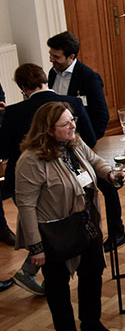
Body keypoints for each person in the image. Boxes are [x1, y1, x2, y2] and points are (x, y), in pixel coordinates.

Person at [15, 101, 122, 331]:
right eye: (66, 124)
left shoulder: (74, 143)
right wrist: (36, 248)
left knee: (92, 272)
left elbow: (94, 160)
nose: (73, 125)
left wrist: (109, 174)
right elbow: (26, 207)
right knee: (58, 283)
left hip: (85, 223)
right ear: (48, 130)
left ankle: (91, 322)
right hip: (55, 231)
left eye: (72, 120)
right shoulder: (30, 161)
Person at [0, 63, 96, 295]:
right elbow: (91, 139)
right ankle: (47, 274)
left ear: (23, 88)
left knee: (46, 227)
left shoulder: (13, 112)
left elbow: (2, 150)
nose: (71, 126)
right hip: (68, 185)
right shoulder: (72, 103)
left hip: (24, 185)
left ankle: (40, 273)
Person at [46, 31, 125, 252]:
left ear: (71, 57)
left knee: (106, 185)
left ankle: (117, 232)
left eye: (56, 56)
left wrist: (88, 143)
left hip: (84, 144)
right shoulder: (52, 74)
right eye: (51, 55)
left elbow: (101, 116)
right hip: (60, 144)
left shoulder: (89, 77)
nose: (52, 60)